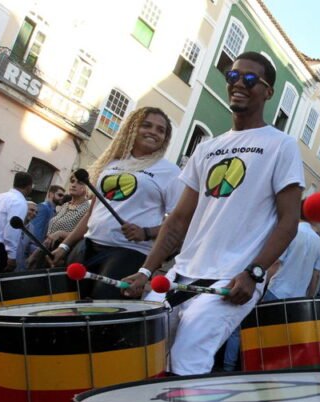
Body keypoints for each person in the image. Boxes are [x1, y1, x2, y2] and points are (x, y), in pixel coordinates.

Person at [121, 52, 303, 376]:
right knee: (144, 357)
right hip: (182, 273)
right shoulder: (207, 148)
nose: (238, 84)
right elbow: (178, 219)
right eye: (232, 77)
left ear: (267, 92)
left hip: (232, 278)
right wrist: (147, 271)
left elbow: (289, 221)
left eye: (249, 79)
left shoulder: (281, 145)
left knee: (186, 362)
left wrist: (255, 273)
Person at [49, 108, 182, 298]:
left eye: (161, 130)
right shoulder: (112, 165)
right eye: (146, 125)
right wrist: (65, 247)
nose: (153, 132)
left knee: (100, 313)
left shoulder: (170, 172)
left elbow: (180, 223)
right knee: (65, 306)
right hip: (87, 246)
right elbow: (91, 213)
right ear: (132, 129)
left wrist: (146, 233)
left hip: (129, 253)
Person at [221, 204, 320, 371]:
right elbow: (316, 275)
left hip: (276, 291)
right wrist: (308, 298)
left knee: (243, 329)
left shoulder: (292, 232)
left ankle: (229, 368)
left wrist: (259, 287)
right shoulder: (319, 242)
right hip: (297, 300)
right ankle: (265, 372)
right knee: (277, 340)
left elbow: (275, 263)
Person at [28, 173, 90, 268]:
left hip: (63, 257)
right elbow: (49, 236)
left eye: (80, 182)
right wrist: (35, 254)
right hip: (45, 252)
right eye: (72, 181)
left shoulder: (88, 208)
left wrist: (60, 233)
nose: (74, 185)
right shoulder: (65, 205)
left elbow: (85, 236)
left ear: (87, 187)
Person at [16, 184, 64, 270]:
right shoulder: (43, 207)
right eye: (59, 195)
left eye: (63, 196)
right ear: (51, 194)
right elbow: (36, 232)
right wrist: (35, 253)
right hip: (32, 251)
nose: (61, 198)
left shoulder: (53, 210)